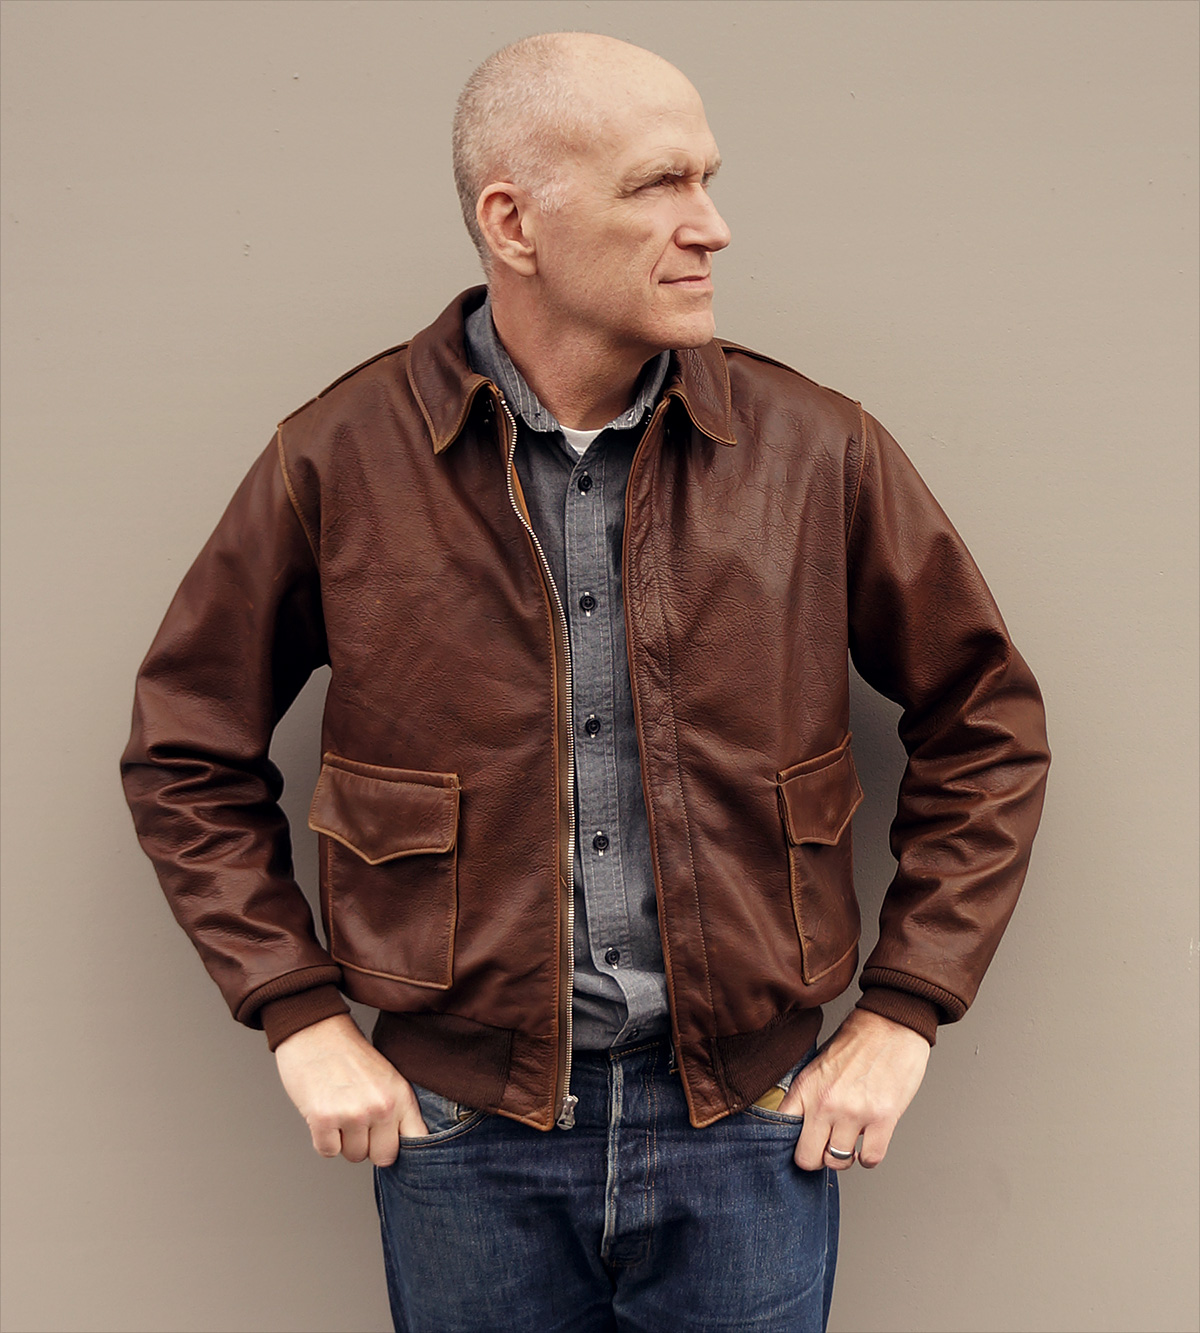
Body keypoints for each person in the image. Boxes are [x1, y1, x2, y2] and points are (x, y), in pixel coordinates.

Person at [121, 31, 1050, 1333]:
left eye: (708, 180)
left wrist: (904, 1008)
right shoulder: (338, 461)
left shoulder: (814, 450)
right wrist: (296, 1012)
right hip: (461, 1133)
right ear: (515, 223)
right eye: (659, 184)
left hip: (750, 1125)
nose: (711, 226)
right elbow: (184, 750)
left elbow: (988, 723)